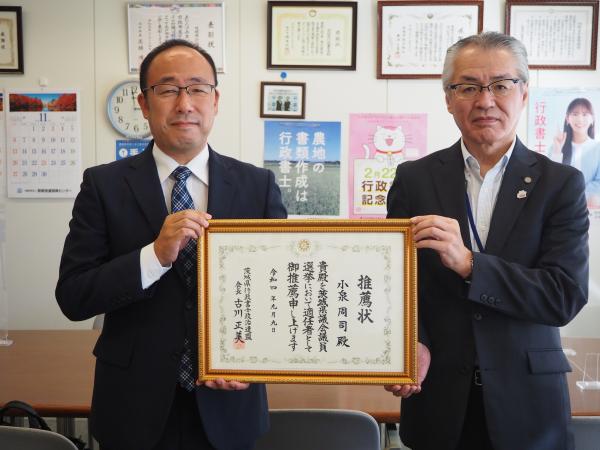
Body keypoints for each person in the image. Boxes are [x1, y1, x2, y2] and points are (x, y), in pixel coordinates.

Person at [56, 39, 287, 450]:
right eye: (167, 89)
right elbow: (74, 297)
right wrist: (154, 256)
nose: (184, 104)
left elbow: (283, 294)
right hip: (132, 404)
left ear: (215, 100)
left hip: (230, 401)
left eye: (197, 88)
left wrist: (255, 360)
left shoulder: (257, 185)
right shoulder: (103, 185)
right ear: (144, 104)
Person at [384, 32, 589, 450]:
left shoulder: (561, 184)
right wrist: (411, 343)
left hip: (528, 404)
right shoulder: (415, 179)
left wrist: (470, 265)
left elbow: (563, 296)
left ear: (524, 92)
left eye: (500, 84)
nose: (485, 100)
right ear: (448, 97)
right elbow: (396, 286)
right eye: (468, 87)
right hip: (437, 396)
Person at [552, 97, 600, 203]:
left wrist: (576, 193)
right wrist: (557, 152)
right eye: (575, 114)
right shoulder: (556, 146)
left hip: (588, 206)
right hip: (560, 205)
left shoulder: (597, 148)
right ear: (567, 119)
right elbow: (551, 179)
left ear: (592, 119)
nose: (580, 119)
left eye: (585, 114)